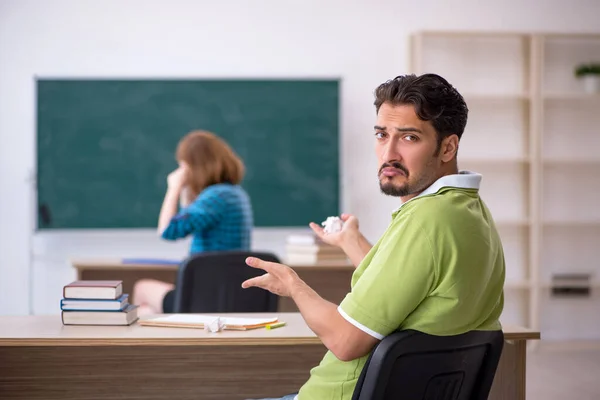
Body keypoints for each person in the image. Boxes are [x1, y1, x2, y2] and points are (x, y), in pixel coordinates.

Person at [241, 73, 506, 400]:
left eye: (409, 138)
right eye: (382, 135)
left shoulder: (425, 220)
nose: (389, 154)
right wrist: (350, 241)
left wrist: (294, 285)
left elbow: (345, 341)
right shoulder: (468, 210)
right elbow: (407, 287)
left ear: (448, 146)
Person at [132, 130, 253, 316]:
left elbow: (168, 231)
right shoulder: (234, 194)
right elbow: (189, 216)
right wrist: (186, 189)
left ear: (193, 167)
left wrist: (174, 187)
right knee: (152, 307)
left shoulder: (215, 197)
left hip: (205, 298)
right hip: (228, 293)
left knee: (142, 289)